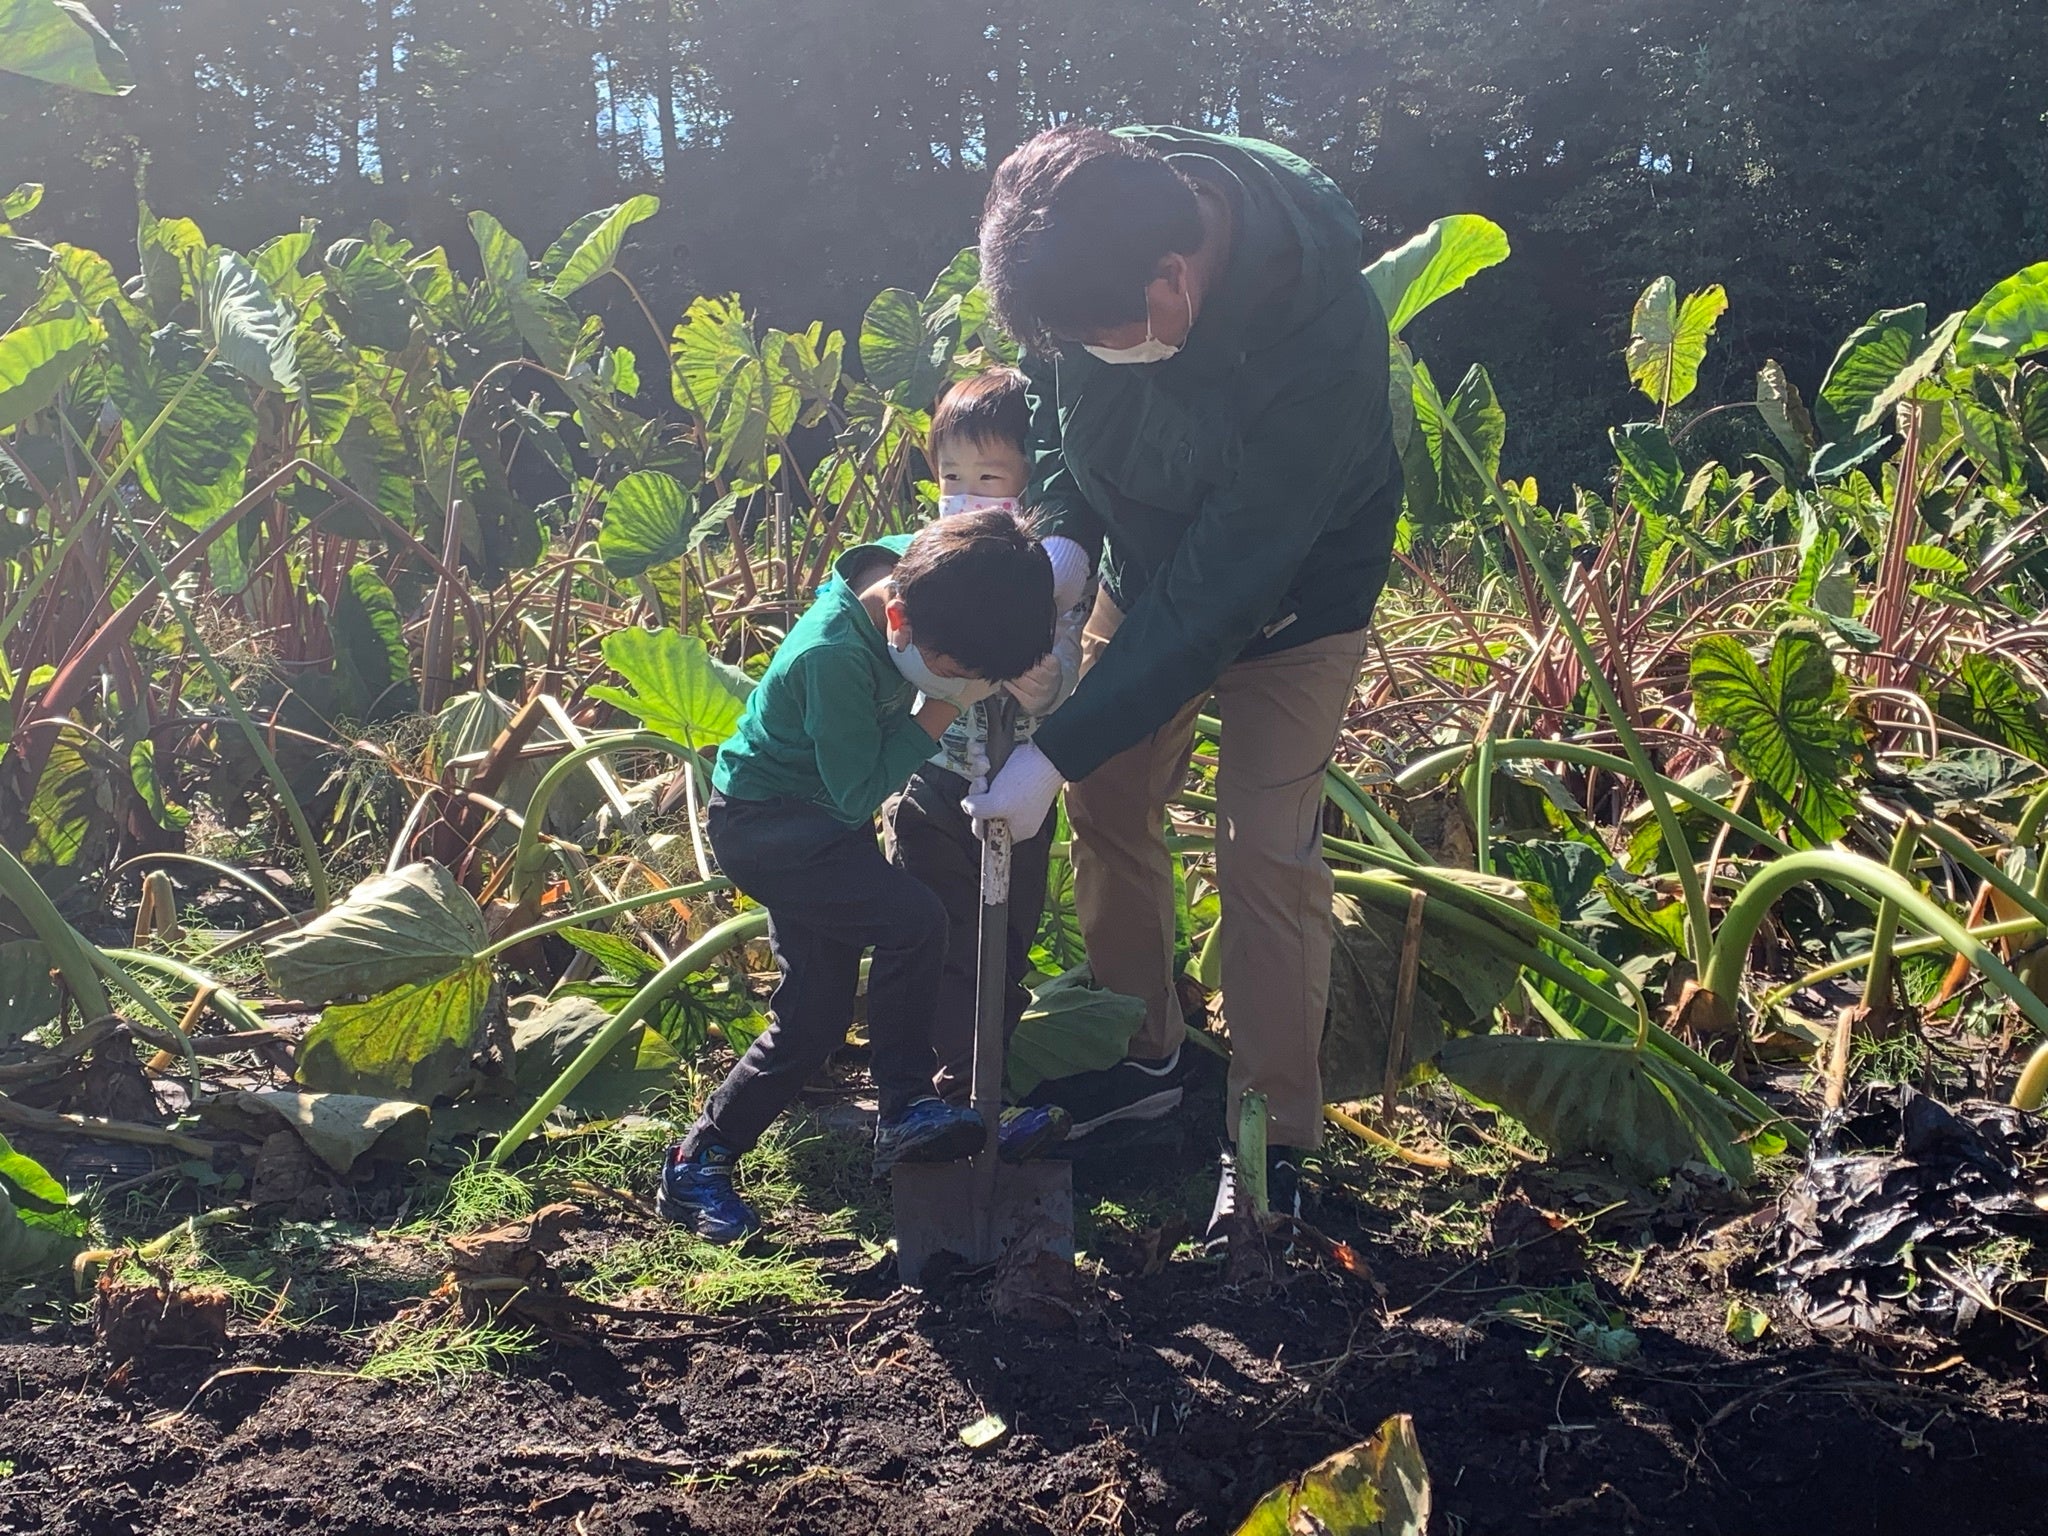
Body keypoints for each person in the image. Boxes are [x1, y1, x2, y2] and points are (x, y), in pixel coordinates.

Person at [963, 125, 1402, 1227]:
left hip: (1292, 597)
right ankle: (1144, 1056)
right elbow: (1059, 430)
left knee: (1262, 846)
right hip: (1147, 565)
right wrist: (1062, 548)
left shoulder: (1321, 328)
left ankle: (1272, 1134)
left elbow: (1221, 596)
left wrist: (1052, 750)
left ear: (1176, 276)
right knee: (1110, 800)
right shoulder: (1079, 232)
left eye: (1111, 337)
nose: (1096, 353)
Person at [659, 511, 1054, 1242]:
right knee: (914, 919)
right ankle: (904, 1108)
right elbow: (855, 792)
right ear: (898, 619)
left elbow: (992, 566)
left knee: (813, 1015)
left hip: (818, 820)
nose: (961, 682)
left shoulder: (929, 572)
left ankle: (697, 1161)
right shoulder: (832, 658)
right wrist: (941, 710)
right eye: (954, 669)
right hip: (772, 825)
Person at [881, 370, 1095, 1160]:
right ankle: (926, 1093)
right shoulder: (925, 560)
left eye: (990, 480)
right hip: (934, 785)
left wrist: (1049, 677)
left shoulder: (1047, 575)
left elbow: (1067, 646)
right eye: (952, 479)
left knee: (1002, 942)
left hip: (1018, 801)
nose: (967, 499)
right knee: (930, 932)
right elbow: (902, 644)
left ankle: (986, 1088)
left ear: (1027, 485)